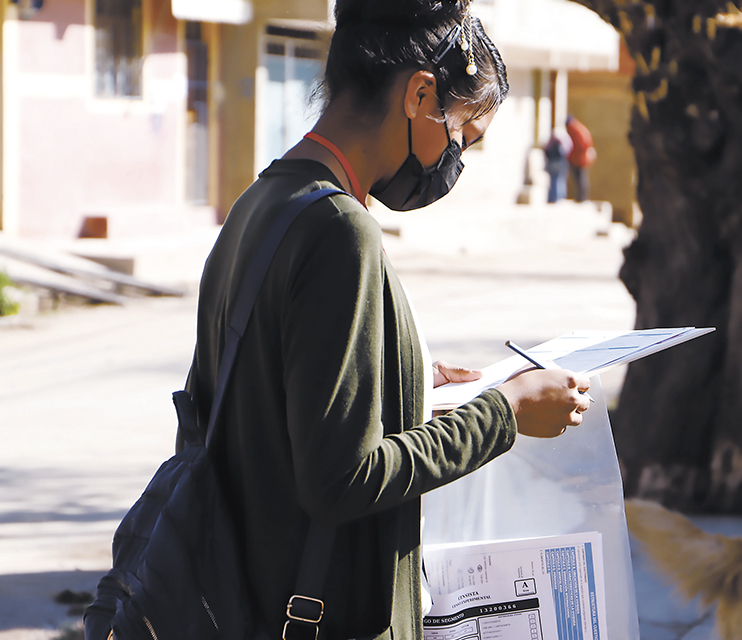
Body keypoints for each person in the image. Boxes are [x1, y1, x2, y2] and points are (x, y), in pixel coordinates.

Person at [186, 1, 592, 638]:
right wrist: (505, 411)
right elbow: (341, 478)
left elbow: (262, 397)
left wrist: (401, 379)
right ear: (420, 93)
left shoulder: (262, 201)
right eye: (463, 133)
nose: (456, 156)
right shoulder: (341, 232)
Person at [565, 114, 596, 202]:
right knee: (581, 179)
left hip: (578, 158)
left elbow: (582, 144)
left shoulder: (574, 128)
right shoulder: (578, 127)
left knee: (580, 179)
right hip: (580, 157)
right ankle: (582, 197)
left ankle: (582, 198)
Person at [543, 127, 571, 203]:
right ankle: (559, 197)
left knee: (554, 181)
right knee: (560, 181)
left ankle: (553, 198)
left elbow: (546, 150)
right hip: (560, 163)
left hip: (552, 163)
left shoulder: (552, 142)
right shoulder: (564, 141)